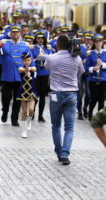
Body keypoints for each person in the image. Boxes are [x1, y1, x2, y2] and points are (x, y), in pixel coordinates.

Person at [44, 35, 84, 165]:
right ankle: (65, 154)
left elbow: (46, 67)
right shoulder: (77, 58)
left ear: (57, 45)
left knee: (56, 125)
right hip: (71, 93)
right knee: (70, 127)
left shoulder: (51, 58)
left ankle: (59, 152)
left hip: (56, 93)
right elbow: (81, 72)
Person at [0, 24, 32, 126]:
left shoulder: (25, 45)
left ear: (20, 33)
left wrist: (29, 70)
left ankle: (14, 118)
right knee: (5, 96)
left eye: (17, 32)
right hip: (7, 75)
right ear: (10, 34)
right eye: (13, 32)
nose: (15, 34)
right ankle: (5, 111)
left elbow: (30, 59)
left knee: (18, 98)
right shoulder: (4, 44)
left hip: (20, 76)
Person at [31, 30, 52, 122]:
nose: (40, 40)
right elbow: (30, 59)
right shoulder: (33, 48)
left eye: (42, 38)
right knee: (35, 94)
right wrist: (37, 58)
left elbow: (51, 58)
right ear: (36, 39)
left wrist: (46, 56)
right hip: (36, 73)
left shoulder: (47, 48)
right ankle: (32, 113)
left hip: (45, 73)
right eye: (38, 38)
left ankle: (41, 115)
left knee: (43, 95)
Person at [16, 52, 38, 138]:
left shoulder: (33, 68)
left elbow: (34, 69)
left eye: (28, 60)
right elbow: (21, 70)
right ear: (22, 61)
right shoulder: (21, 68)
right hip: (23, 92)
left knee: (31, 109)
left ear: (31, 60)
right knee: (24, 111)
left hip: (32, 91)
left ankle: (29, 120)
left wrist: (29, 69)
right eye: (25, 60)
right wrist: (26, 70)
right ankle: (24, 129)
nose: (26, 62)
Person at [86, 34, 106, 121]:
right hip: (93, 78)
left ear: (102, 43)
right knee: (94, 98)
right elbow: (86, 67)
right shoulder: (90, 53)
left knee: (101, 99)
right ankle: (90, 113)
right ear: (94, 43)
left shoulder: (105, 53)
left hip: (103, 78)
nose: (98, 44)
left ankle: (99, 116)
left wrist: (103, 65)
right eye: (97, 42)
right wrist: (93, 68)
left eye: (100, 42)